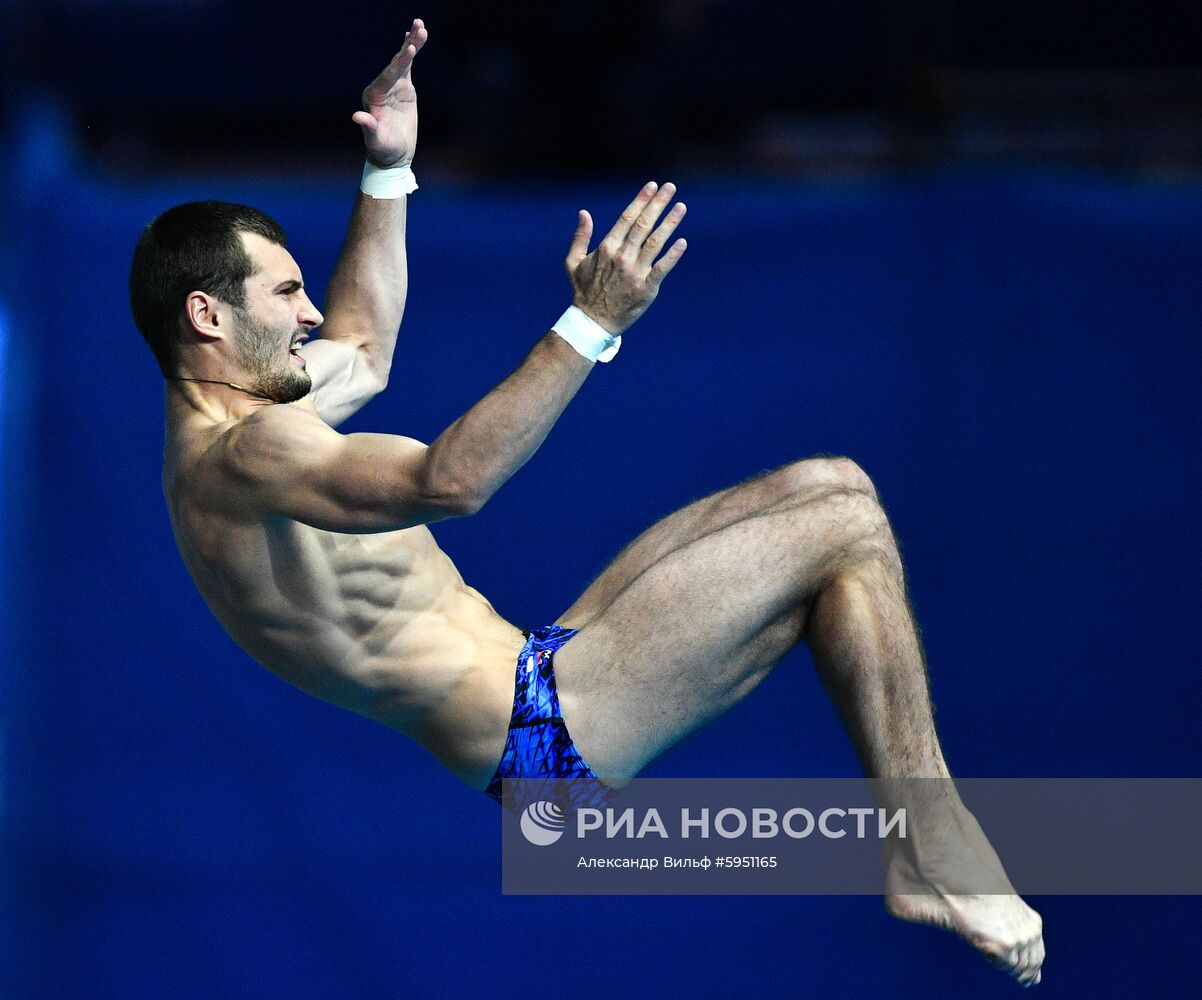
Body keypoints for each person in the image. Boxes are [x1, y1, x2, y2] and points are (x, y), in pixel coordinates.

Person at [128, 20, 1044, 987]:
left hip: (541, 675)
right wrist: (592, 322)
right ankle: (930, 847)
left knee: (836, 489)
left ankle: (918, 838)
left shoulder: (244, 422)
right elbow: (451, 483)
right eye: (287, 293)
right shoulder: (246, 453)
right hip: (546, 736)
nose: (309, 314)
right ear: (208, 316)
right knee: (848, 527)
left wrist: (388, 170)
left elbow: (365, 345)